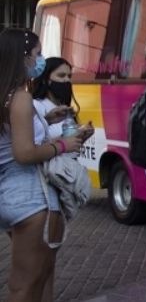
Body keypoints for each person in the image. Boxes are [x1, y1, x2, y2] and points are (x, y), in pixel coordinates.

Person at [0, 28, 86, 302]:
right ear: (23, 57)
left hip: (10, 193)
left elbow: (12, 135)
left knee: (34, 278)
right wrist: (63, 145)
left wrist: (45, 120)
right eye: (38, 54)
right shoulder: (20, 97)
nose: (41, 60)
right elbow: (24, 152)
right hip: (30, 196)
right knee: (27, 284)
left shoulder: (6, 95)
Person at [31, 57, 78, 140]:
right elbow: (33, 141)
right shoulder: (36, 106)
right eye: (61, 75)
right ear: (45, 80)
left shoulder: (64, 107)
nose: (67, 80)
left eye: (69, 76)